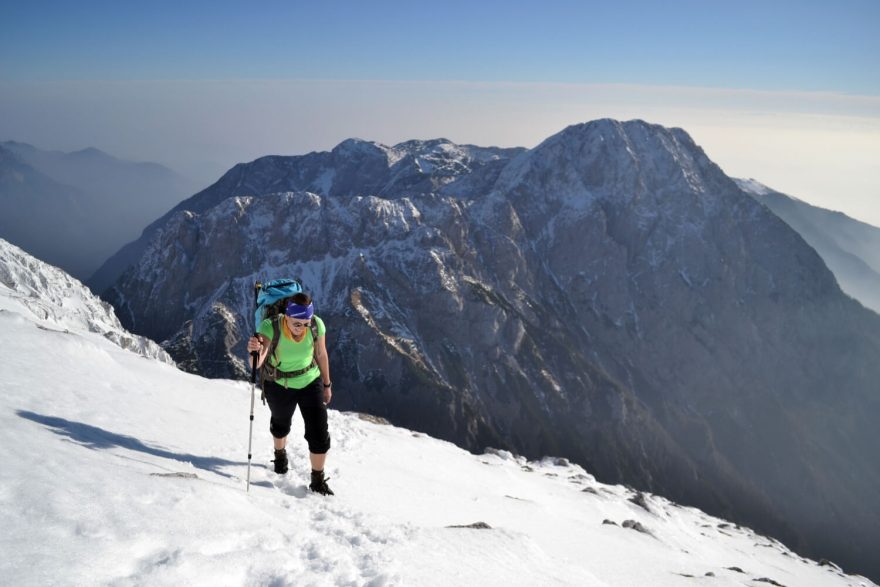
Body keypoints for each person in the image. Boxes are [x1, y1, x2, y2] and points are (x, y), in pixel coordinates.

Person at [246, 292, 334, 495]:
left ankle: (318, 481)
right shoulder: (270, 327)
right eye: (297, 323)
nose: (301, 328)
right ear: (287, 316)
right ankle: (280, 454)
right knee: (281, 425)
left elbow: (321, 354)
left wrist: (327, 384)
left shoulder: (316, 325)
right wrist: (254, 350)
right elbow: (256, 363)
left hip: (310, 380)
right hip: (279, 384)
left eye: (306, 323)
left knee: (319, 432)